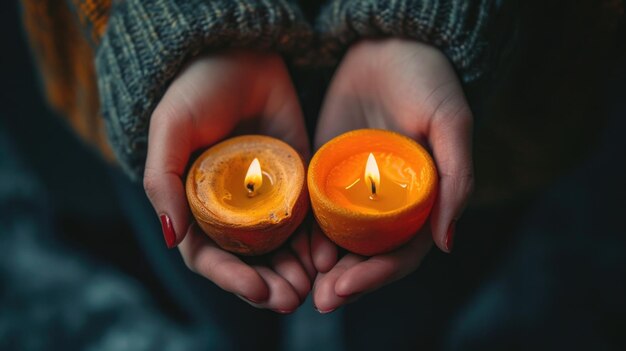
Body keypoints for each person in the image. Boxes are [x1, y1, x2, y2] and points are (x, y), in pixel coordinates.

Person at [19, 0, 625, 349]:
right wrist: (176, 24)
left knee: (408, 313)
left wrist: (431, 15)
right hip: (176, 101)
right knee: (212, 300)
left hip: (499, 87)